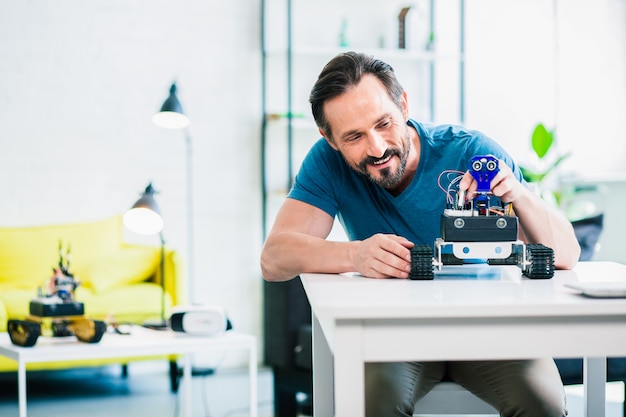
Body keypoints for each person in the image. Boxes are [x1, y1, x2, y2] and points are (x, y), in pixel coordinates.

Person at [260, 51, 580, 417]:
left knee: (543, 405)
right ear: (329, 138)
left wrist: (520, 195)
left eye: (384, 124)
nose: (377, 148)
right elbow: (274, 259)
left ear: (404, 105)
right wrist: (356, 255)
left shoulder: (469, 150)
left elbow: (567, 254)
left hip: (488, 326)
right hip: (396, 333)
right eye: (354, 137)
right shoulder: (327, 162)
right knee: (376, 403)